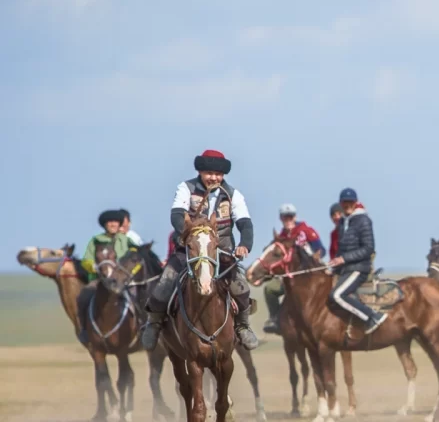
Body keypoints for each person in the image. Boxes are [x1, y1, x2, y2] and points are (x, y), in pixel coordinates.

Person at [141, 149, 259, 351]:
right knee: (163, 285)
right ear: (201, 172)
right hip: (190, 250)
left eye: (218, 174)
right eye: (209, 173)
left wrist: (244, 245)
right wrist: (187, 233)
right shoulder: (186, 188)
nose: (214, 177)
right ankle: (154, 323)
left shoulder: (233, 195)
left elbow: (245, 223)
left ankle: (242, 326)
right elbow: (177, 214)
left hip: (221, 252)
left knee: (242, 287)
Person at [327, 188, 386, 334]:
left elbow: (368, 248)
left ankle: (372, 317)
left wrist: (344, 258)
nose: (347, 205)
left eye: (350, 202)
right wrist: (333, 266)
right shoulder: (342, 223)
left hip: (359, 268)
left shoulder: (363, 221)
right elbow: (341, 249)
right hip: (346, 269)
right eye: (344, 202)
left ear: (355, 203)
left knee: (337, 295)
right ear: (340, 203)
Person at [262, 204, 326, 334]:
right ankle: (275, 319)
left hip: (309, 273)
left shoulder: (306, 230)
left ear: (295, 217)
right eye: (285, 217)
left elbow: (321, 249)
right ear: (281, 218)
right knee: (269, 289)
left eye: (290, 217)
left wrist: (316, 255)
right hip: (289, 275)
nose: (288, 220)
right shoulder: (282, 236)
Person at [77, 209, 132, 343]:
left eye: (115, 222)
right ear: (104, 225)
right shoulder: (95, 241)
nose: (113, 224)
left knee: (141, 297)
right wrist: (94, 267)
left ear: (119, 225)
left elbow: (134, 257)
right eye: (109, 222)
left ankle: (144, 329)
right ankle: (84, 330)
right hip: (100, 280)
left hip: (123, 280)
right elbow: (86, 260)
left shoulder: (126, 240)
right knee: (83, 296)